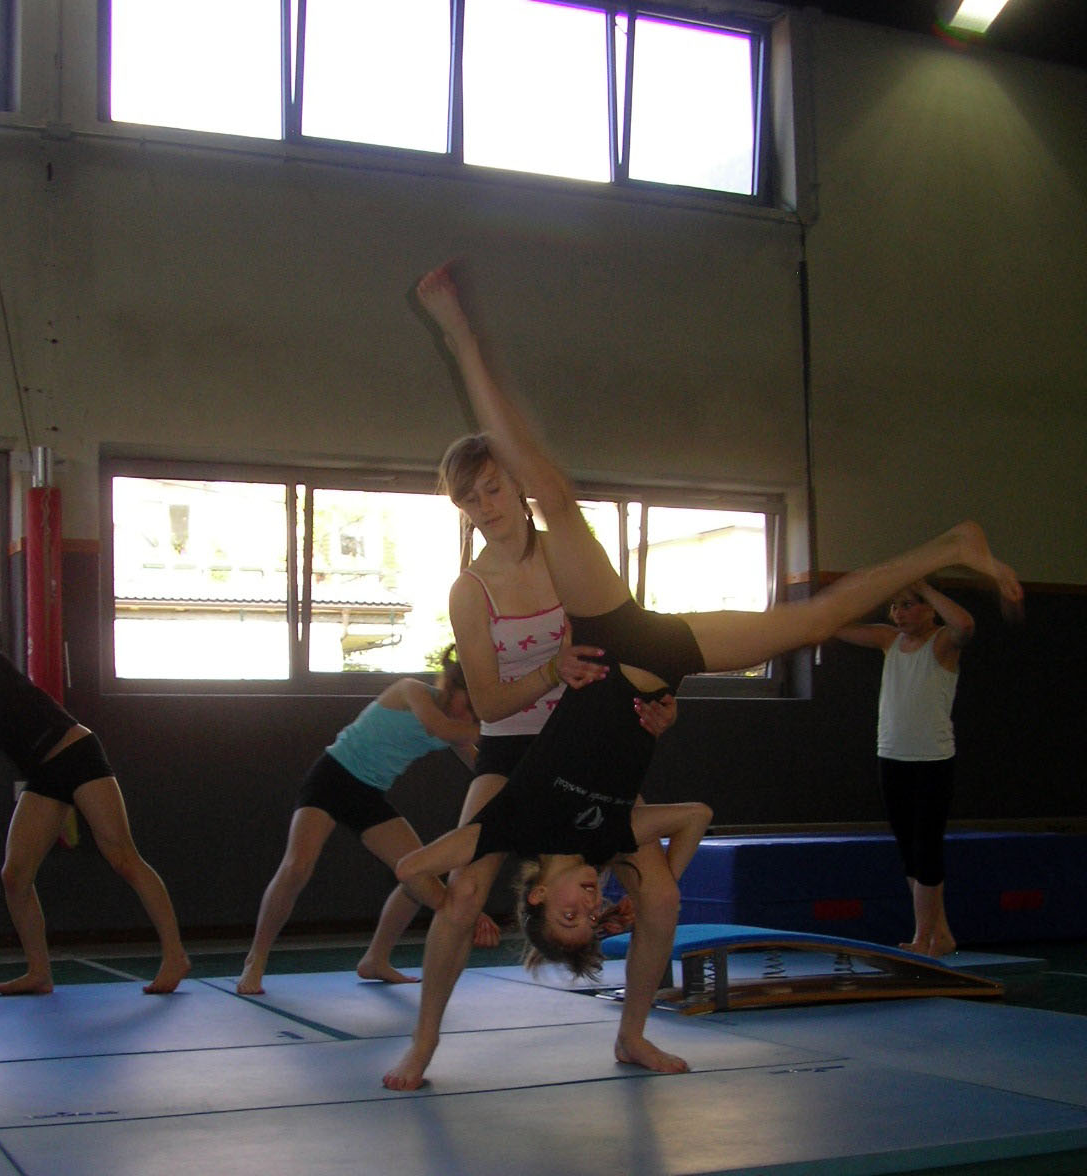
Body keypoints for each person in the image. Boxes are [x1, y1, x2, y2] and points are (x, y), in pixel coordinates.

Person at [380, 261, 1022, 1091]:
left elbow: (553, 508)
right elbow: (493, 703)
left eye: (496, 488)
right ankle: (425, 1044)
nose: (489, 506)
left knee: (663, 891)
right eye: (472, 501)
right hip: (522, 745)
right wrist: (554, 672)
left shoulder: (553, 549)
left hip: (608, 699)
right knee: (466, 894)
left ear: (509, 485)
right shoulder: (471, 591)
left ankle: (632, 1035)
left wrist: (647, 706)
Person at [0, 615, 190, 994]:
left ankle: (175, 955)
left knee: (123, 858)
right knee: (14, 876)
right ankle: (39, 972)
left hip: (76, 754)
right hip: (43, 774)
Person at [236, 646, 481, 994]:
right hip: (331, 778)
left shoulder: (459, 730)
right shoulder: (411, 691)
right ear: (450, 687)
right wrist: (490, 725)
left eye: (475, 711)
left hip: (367, 795)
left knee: (418, 874)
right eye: (467, 704)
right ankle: (255, 960)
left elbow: (480, 766)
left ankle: (375, 959)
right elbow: (436, 726)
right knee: (297, 867)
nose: (467, 715)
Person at [837, 581, 975, 956]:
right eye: (895, 606)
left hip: (931, 760)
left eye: (909, 605)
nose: (899, 613)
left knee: (926, 848)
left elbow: (965, 624)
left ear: (929, 608)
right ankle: (940, 935)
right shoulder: (889, 640)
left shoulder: (943, 642)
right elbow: (838, 626)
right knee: (910, 852)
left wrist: (925, 587)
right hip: (892, 756)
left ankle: (922, 939)